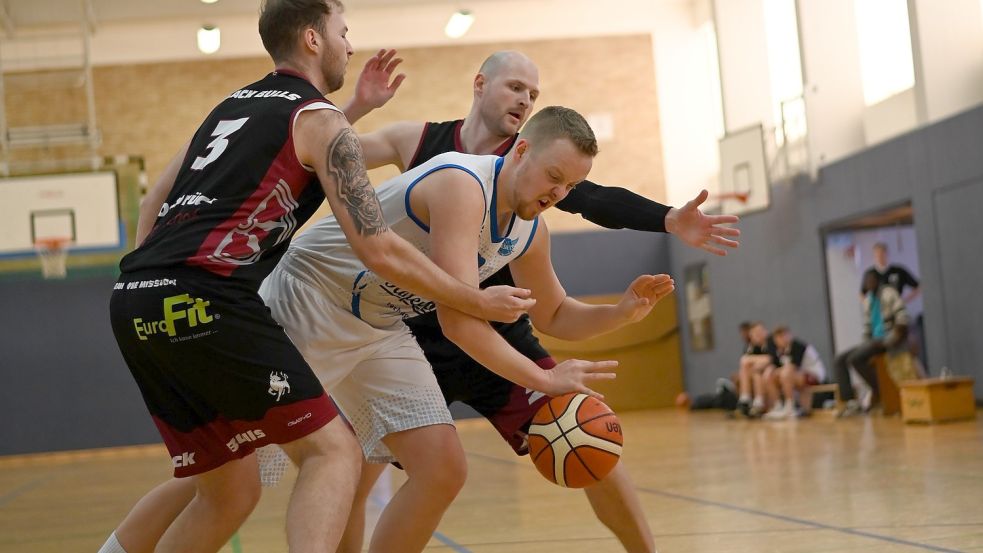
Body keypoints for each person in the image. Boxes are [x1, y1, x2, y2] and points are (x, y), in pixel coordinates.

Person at [99, 2, 533, 552]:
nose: (349, 45)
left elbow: (153, 198)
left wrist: (151, 279)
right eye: (342, 32)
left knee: (226, 491)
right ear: (312, 38)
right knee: (333, 452)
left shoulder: (230, 107)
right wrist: (475, 300)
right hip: (211, 295)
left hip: (134, 298)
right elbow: (379, 250)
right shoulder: (321, 121)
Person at [334, 49, 739, 553]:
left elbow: (594, 199)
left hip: (499, 333)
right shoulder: (420, 141)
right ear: (480, 84)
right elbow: (332, 154)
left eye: (533, 94)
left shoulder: (534, 170)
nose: (524, 99)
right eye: (515, 87)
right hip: (409, 335)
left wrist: (667, 219)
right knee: (353, 469)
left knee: (591, 439)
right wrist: (356, 105)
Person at [835, 269, 909, 417]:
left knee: (854, 359)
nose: (869, 283)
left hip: (887, 340)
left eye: (871, 280)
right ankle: (850, 401)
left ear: (878, 280)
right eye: (866, 280)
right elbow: (867, 328)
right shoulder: (868, 301)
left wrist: (891, 340)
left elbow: (902, 319)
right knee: (840, 359)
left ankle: (879, 389)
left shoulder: (889, 293)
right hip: (873, 341)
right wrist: (864, 344)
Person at [762, 326, 827, 419]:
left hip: (814, 375)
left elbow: (792, 368)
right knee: (769, 375)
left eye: (783, 336)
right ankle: (778, 406)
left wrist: (776, 372)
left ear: (789, 335)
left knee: (786, 373)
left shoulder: (798, 346)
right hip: (798, 375)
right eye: (778, 338)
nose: (781, 340)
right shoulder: (780, 350)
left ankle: (790, 406)